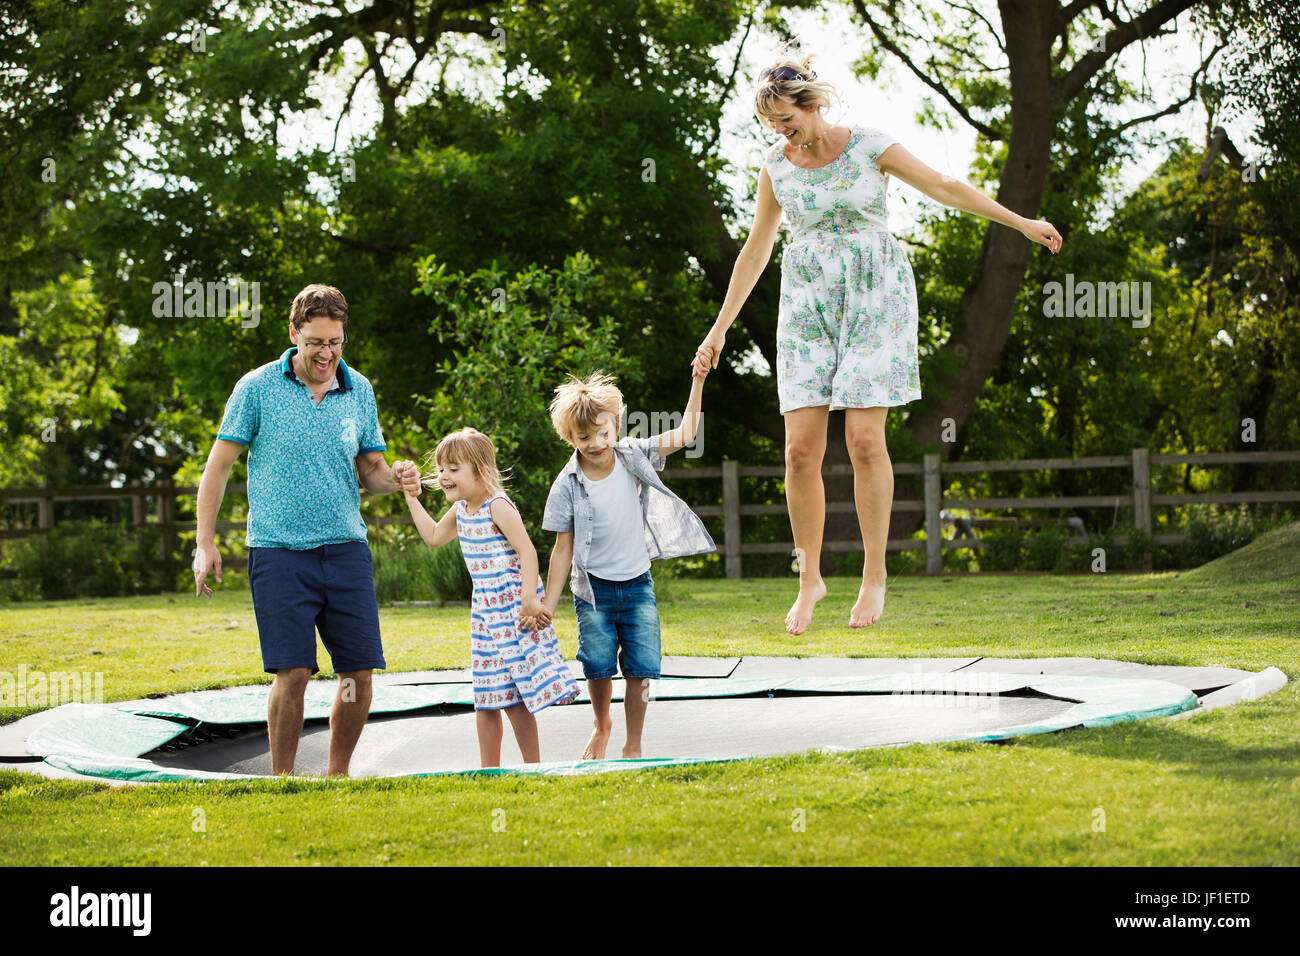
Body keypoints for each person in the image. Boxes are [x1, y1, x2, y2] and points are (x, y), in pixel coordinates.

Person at [692, 54, 1062, 635]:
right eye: (771, 124)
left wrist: (1019, 221)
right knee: (799, 452)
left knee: (865, 441)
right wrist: (718, 332)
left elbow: (943, 186)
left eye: (786, 119)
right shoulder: (775, 167)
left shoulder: (868, 146)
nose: (780, 131)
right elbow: (756, 252)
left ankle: (873, 575)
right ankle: (810, 576)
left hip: (874, 296)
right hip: (808, 305)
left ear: (813, 105)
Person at [192, 284, 421, 777]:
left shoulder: (359, 389)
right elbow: (218, 467)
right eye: (316, 341)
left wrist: (398, 480)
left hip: (345, 548)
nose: (326, 353)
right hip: (277, 551)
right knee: (292, 672)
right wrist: (205, 543)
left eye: (335, 342)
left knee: (358, 674)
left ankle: (336, 777)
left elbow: (372, 472)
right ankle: (285, 781)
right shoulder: (256, 388)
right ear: (294, 334)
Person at [538, 369, 715, 760]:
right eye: (584, 437)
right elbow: (562, 550)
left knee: (641, 669)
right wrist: (548, 605)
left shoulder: (633, 454)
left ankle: (633, 743)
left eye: (604, 432)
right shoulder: (567, 484)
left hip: (637, 585)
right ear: (570, 437)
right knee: (597, 667)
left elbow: (685, 434)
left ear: (616, 425)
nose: (597, 443)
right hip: (593, 592)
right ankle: (602, 726)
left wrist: (698, 380)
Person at [402, 427, 579, 767]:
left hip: (513, 610)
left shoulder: (497, 505)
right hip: (485, 616)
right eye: (441, 469)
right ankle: (489, 769)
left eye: (454, 469)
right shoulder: (462, 510)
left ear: (480, 470)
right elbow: (435, 536)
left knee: (514, 698)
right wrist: (412, 499)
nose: (444, 476)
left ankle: (533, 766)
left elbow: (527, 551)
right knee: (486, 697)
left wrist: (530, 598)